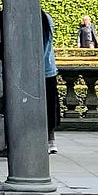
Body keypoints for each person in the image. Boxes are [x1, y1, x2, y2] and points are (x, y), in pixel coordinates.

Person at [41, 10, 60, 154]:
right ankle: (50, 139)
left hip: (40, 70)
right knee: (50, 105)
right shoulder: (47, 17)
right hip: (48, 68)